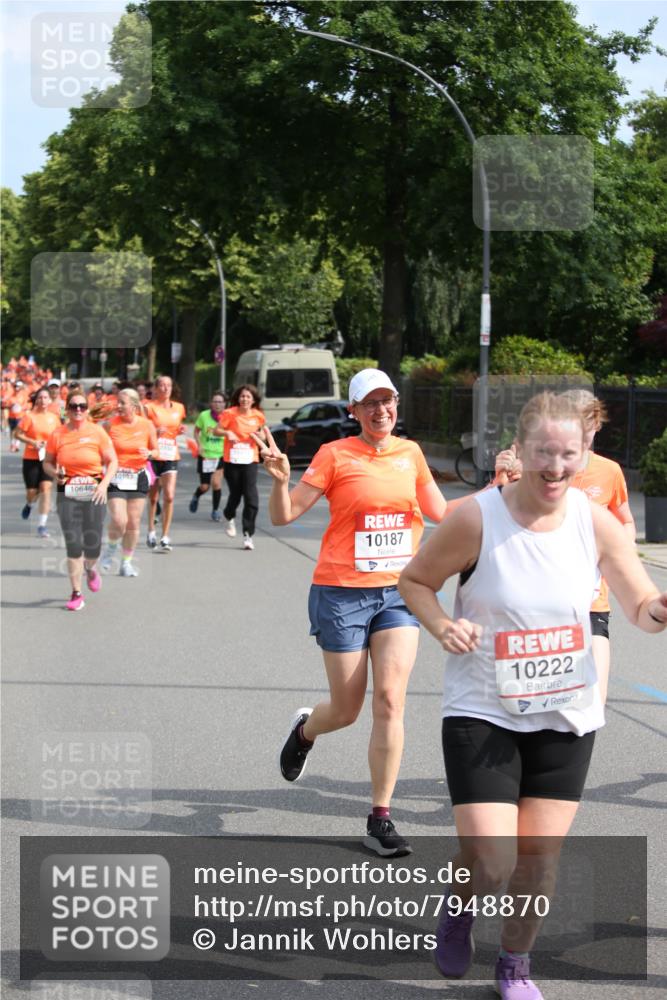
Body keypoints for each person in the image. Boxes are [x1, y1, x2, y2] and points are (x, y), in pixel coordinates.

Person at [398, 391, 667, 1000]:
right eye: (543, 452)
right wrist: (442, 624)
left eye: (568, 454)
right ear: (519, 451)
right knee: (491, 860)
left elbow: (638, 607)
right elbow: (414, 580)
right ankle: (462, 906)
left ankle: (514, 966)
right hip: (483, 708)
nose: (554, 466)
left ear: (584, 454)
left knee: (539, 856)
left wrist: (659, 608)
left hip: (566, 710)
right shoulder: (475, 517)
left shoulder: (594, 522)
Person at [262, 369, 447, 856]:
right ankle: (306, 731)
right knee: (346, 710)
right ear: (354, 411)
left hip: (398, 593)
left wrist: (501, 490)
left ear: (396, 407)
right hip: (341, 592)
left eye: (387, 402)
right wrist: (281, 482)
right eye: (370, 404)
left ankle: (379, 817)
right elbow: (284, 515)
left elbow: (444, 514)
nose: (381, 410)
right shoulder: (334, 455)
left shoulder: (411, 455)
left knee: (390, 701)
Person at [495, 391, 636, 706]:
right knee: (531, 705)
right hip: (538, 607)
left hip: (591, 605)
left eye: (588, 423)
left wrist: (617, 554)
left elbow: (625, 521)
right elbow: (502, 520)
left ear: (596, 426)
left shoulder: (610, 471)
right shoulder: (537, 466)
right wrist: (503, 479)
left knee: (593, 704)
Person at [43, 390, 118, 611]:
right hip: (67, 493)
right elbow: (47, 462)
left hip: (94, 492)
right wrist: (54, 473)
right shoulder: (57, 434)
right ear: (67, 409)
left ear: (86, 409)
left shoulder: (97, 432)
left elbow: (112, 461)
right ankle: (76, 593)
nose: (78, 410)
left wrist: (104, 485)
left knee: (92, 545)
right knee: (73, 544)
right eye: (74, 406)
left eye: (82, 406)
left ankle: (91, 568)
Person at [100, 389, 157, 577]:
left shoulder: (147, 425)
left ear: (133, 406)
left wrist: (150, 454)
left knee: (133, 523)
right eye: (118, 402)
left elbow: (156, 451)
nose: (118, 406)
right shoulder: (110, 425)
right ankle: (110, 549)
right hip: (116, 476)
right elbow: (99, 448)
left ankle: (126, 563)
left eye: (122, 403)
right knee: (119, 520)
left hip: (138, 476)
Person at [215, 384, 269, 549]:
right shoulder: (229, 414)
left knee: (251, 496)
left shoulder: (259, 416)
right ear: (238, 398)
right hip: (232, 460)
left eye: (248, 397)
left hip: (250, 459)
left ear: (253, 400)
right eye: (242, 396)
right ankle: (228, 515)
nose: (245, 399)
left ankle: (248, 535)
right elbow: (216, 431)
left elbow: (264, 436)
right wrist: (227, 433)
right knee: (236, 494)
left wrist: (261, 436)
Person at [143, 375, 186, 552]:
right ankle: (151, 531)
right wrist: (154, 431)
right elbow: (141, 430)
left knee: (169, 496)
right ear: (155, 388)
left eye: (168, 385)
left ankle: (165, 536)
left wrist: (180, 430)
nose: (165, 388)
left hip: (170, 454)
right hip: (153, 456)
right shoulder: (148, 408)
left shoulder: (179, 408)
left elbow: (177, 427)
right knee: (153, 497)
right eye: (161, 385)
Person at [13, 387, 60, 536]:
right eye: (40, 397)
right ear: (36, 400)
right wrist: (33, 442)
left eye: (46, 397)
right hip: (31, 458)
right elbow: (17, 434)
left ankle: (42, 525)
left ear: (50, 400)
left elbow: (59, 436)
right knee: (32, 492)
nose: (43, 400)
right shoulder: (29, 417)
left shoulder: (55, 418)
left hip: (49, 458)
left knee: (46, 489)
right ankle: (29, 504)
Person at [190, 391, 226, 521]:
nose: (217, 404)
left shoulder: (227, 417)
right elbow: (196, 431)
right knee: (205, 486)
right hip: (205, 455)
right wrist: (199, 445)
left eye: (220, 402)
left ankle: (215, 510)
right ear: (211, 403)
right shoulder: (204, 416)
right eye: (215, 401)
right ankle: (196, 495)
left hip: (220, 455)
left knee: (216, 484)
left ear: (224, 404)